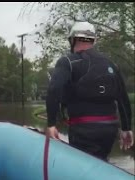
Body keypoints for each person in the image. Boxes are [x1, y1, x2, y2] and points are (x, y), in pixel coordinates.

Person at [45, 21, 133, 161]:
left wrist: (51, 124)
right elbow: (122, 98)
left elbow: (54, 90)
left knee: (85, 164)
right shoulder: (111, 64)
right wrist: (126, 129)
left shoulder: (67, 61)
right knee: (100, 160)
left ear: (72, 40)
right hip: (110, 130)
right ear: (94, 40)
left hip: (83, 130)